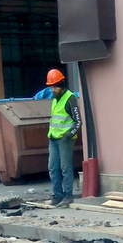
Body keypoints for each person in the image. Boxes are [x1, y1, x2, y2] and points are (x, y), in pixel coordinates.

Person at [38, 67, 81, 206]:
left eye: (55, 87)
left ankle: (68, 195)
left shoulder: (70, 98)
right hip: (53, 138)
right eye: (51, 87)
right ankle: (57, 195)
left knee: (65, 168)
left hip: (64, 139)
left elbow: (78, 121)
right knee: (53, 168)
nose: (52, 90)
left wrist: (68, 135)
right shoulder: (55, 99)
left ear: (61, 85)